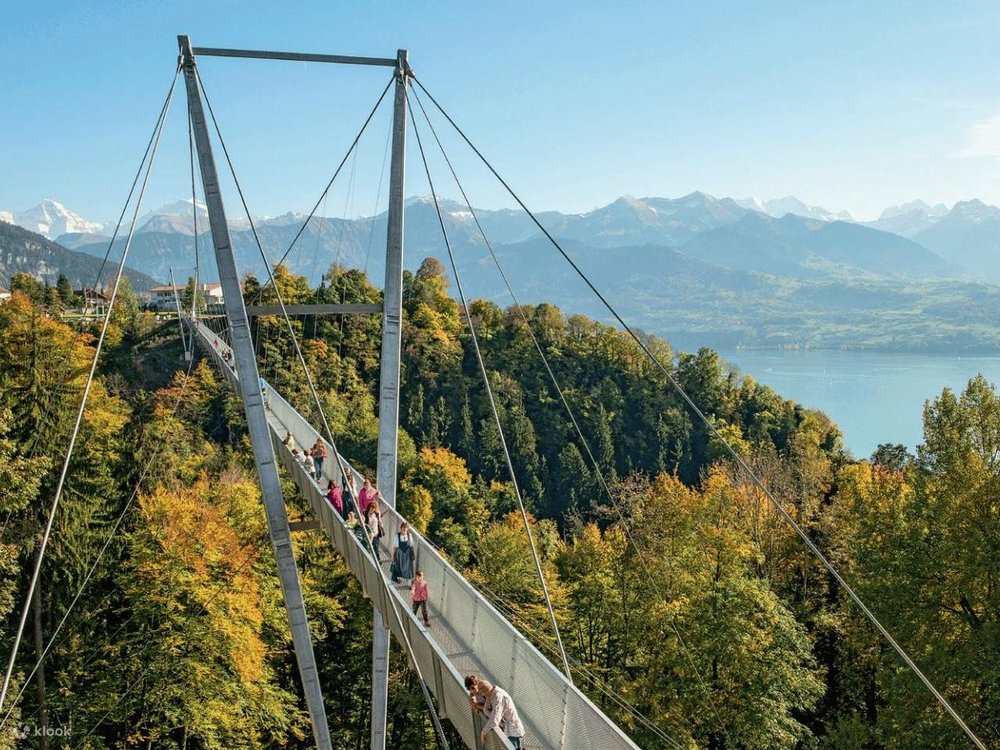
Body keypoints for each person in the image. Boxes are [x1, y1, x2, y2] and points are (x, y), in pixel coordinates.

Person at [477, 679, 524, 748]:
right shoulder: (491, 694)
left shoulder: (498, 696)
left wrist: (484, 732)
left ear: (485, 691)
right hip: (507, 729)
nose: (484, 697)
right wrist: (493, 716)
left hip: (513, 731)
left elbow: (495, 720)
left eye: (483, 694)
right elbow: (485, 709)